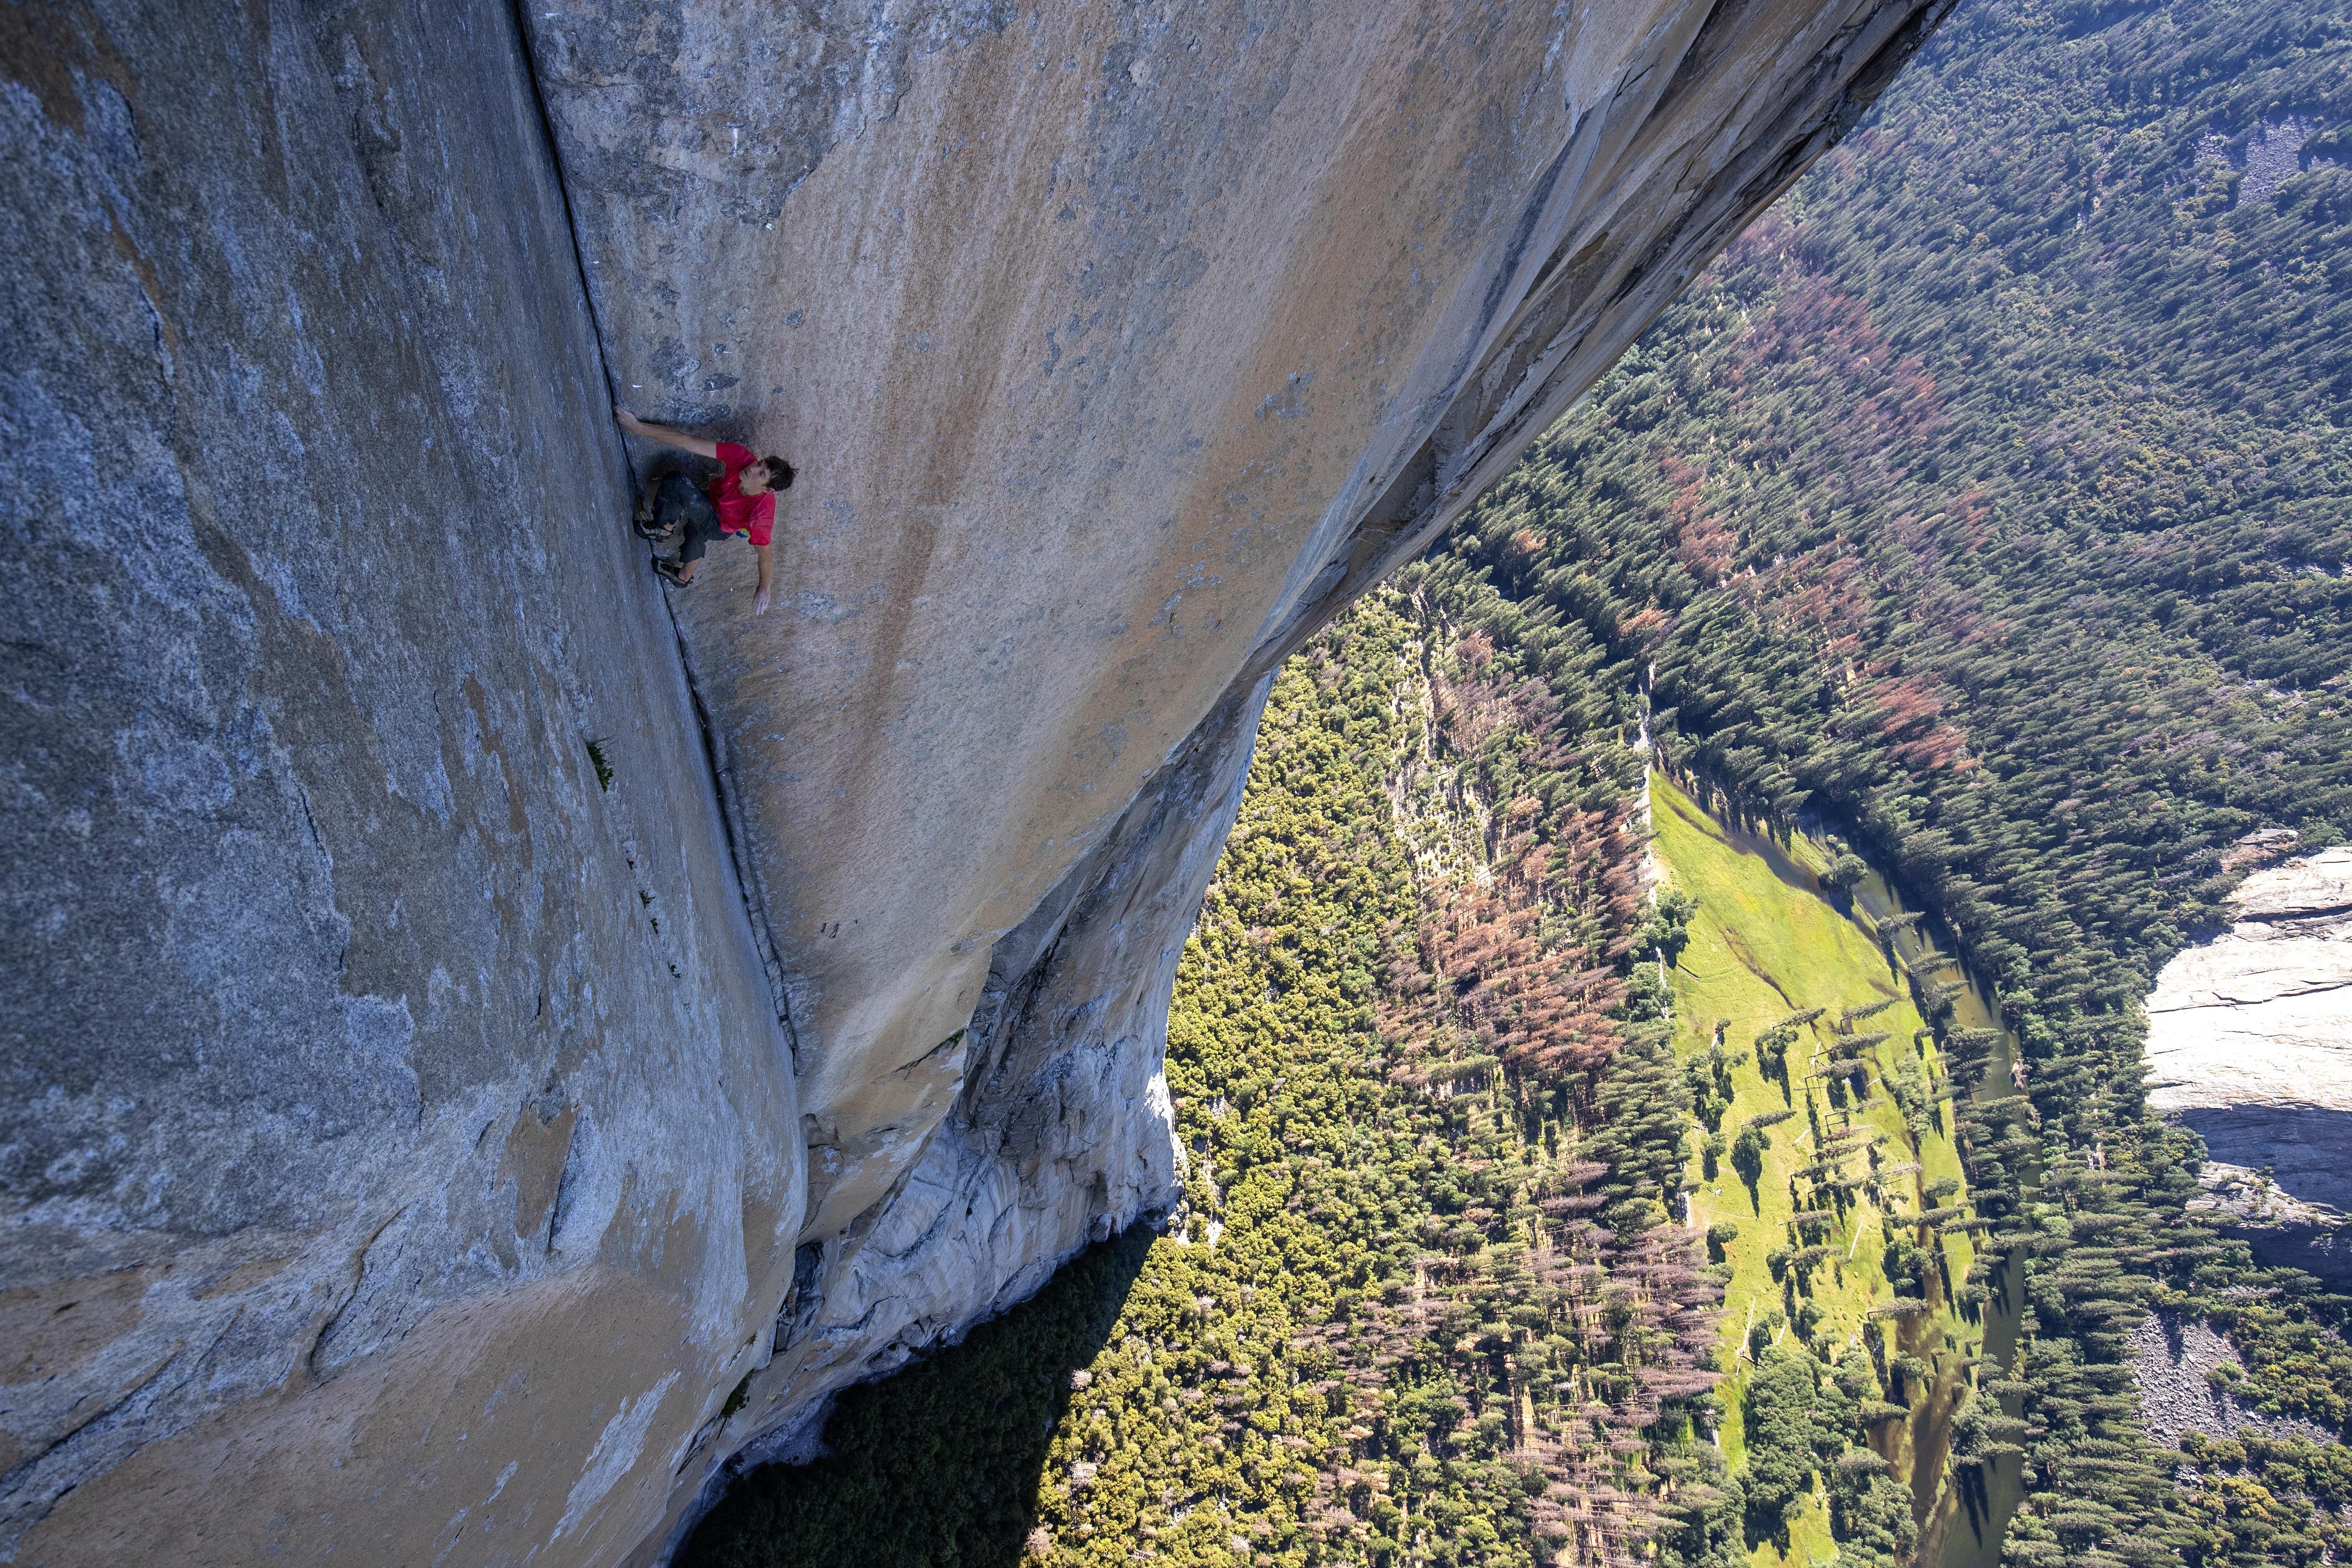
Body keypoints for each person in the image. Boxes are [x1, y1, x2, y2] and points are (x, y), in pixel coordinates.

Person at [613, 405, 794, 615]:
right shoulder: (742, 457)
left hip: (720, 526)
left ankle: (663, 528)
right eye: (760, 463)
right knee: (694, 531)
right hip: (712, 500)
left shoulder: (762, 514)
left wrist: (764, 588)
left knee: (677, 484)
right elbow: (688, 441)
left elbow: (765, 556)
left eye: (761, 473)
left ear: (768, 489)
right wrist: (638, 428)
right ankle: (683, 578)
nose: (752, 468)